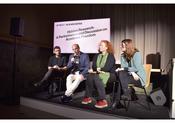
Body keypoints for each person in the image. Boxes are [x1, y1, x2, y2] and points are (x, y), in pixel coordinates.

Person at [81, 40, 116, 108]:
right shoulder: (97, 55)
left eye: (102, 45)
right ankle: (88, 97)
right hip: (99, 73)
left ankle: (103, 100)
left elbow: (107, 68)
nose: (100, 46)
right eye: (100, 45)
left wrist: (99, 69)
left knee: (97, 77)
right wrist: (97, 69)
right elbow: (94, 66)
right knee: (89, 76)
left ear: (106, 47)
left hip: (110, 74)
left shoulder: (110, 56)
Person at [112, 39, 146, 108]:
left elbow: (136, 68)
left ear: (128, 46)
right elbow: (124, 68)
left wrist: (130, 71)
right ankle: (125, 93)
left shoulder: (136, 54)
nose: (120, 46)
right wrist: (131, 72)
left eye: (122, 45)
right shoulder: (122, 56)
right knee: (120, 74)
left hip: (139, 78)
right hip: (128, 76)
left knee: (121, 78)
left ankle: (117, 101)